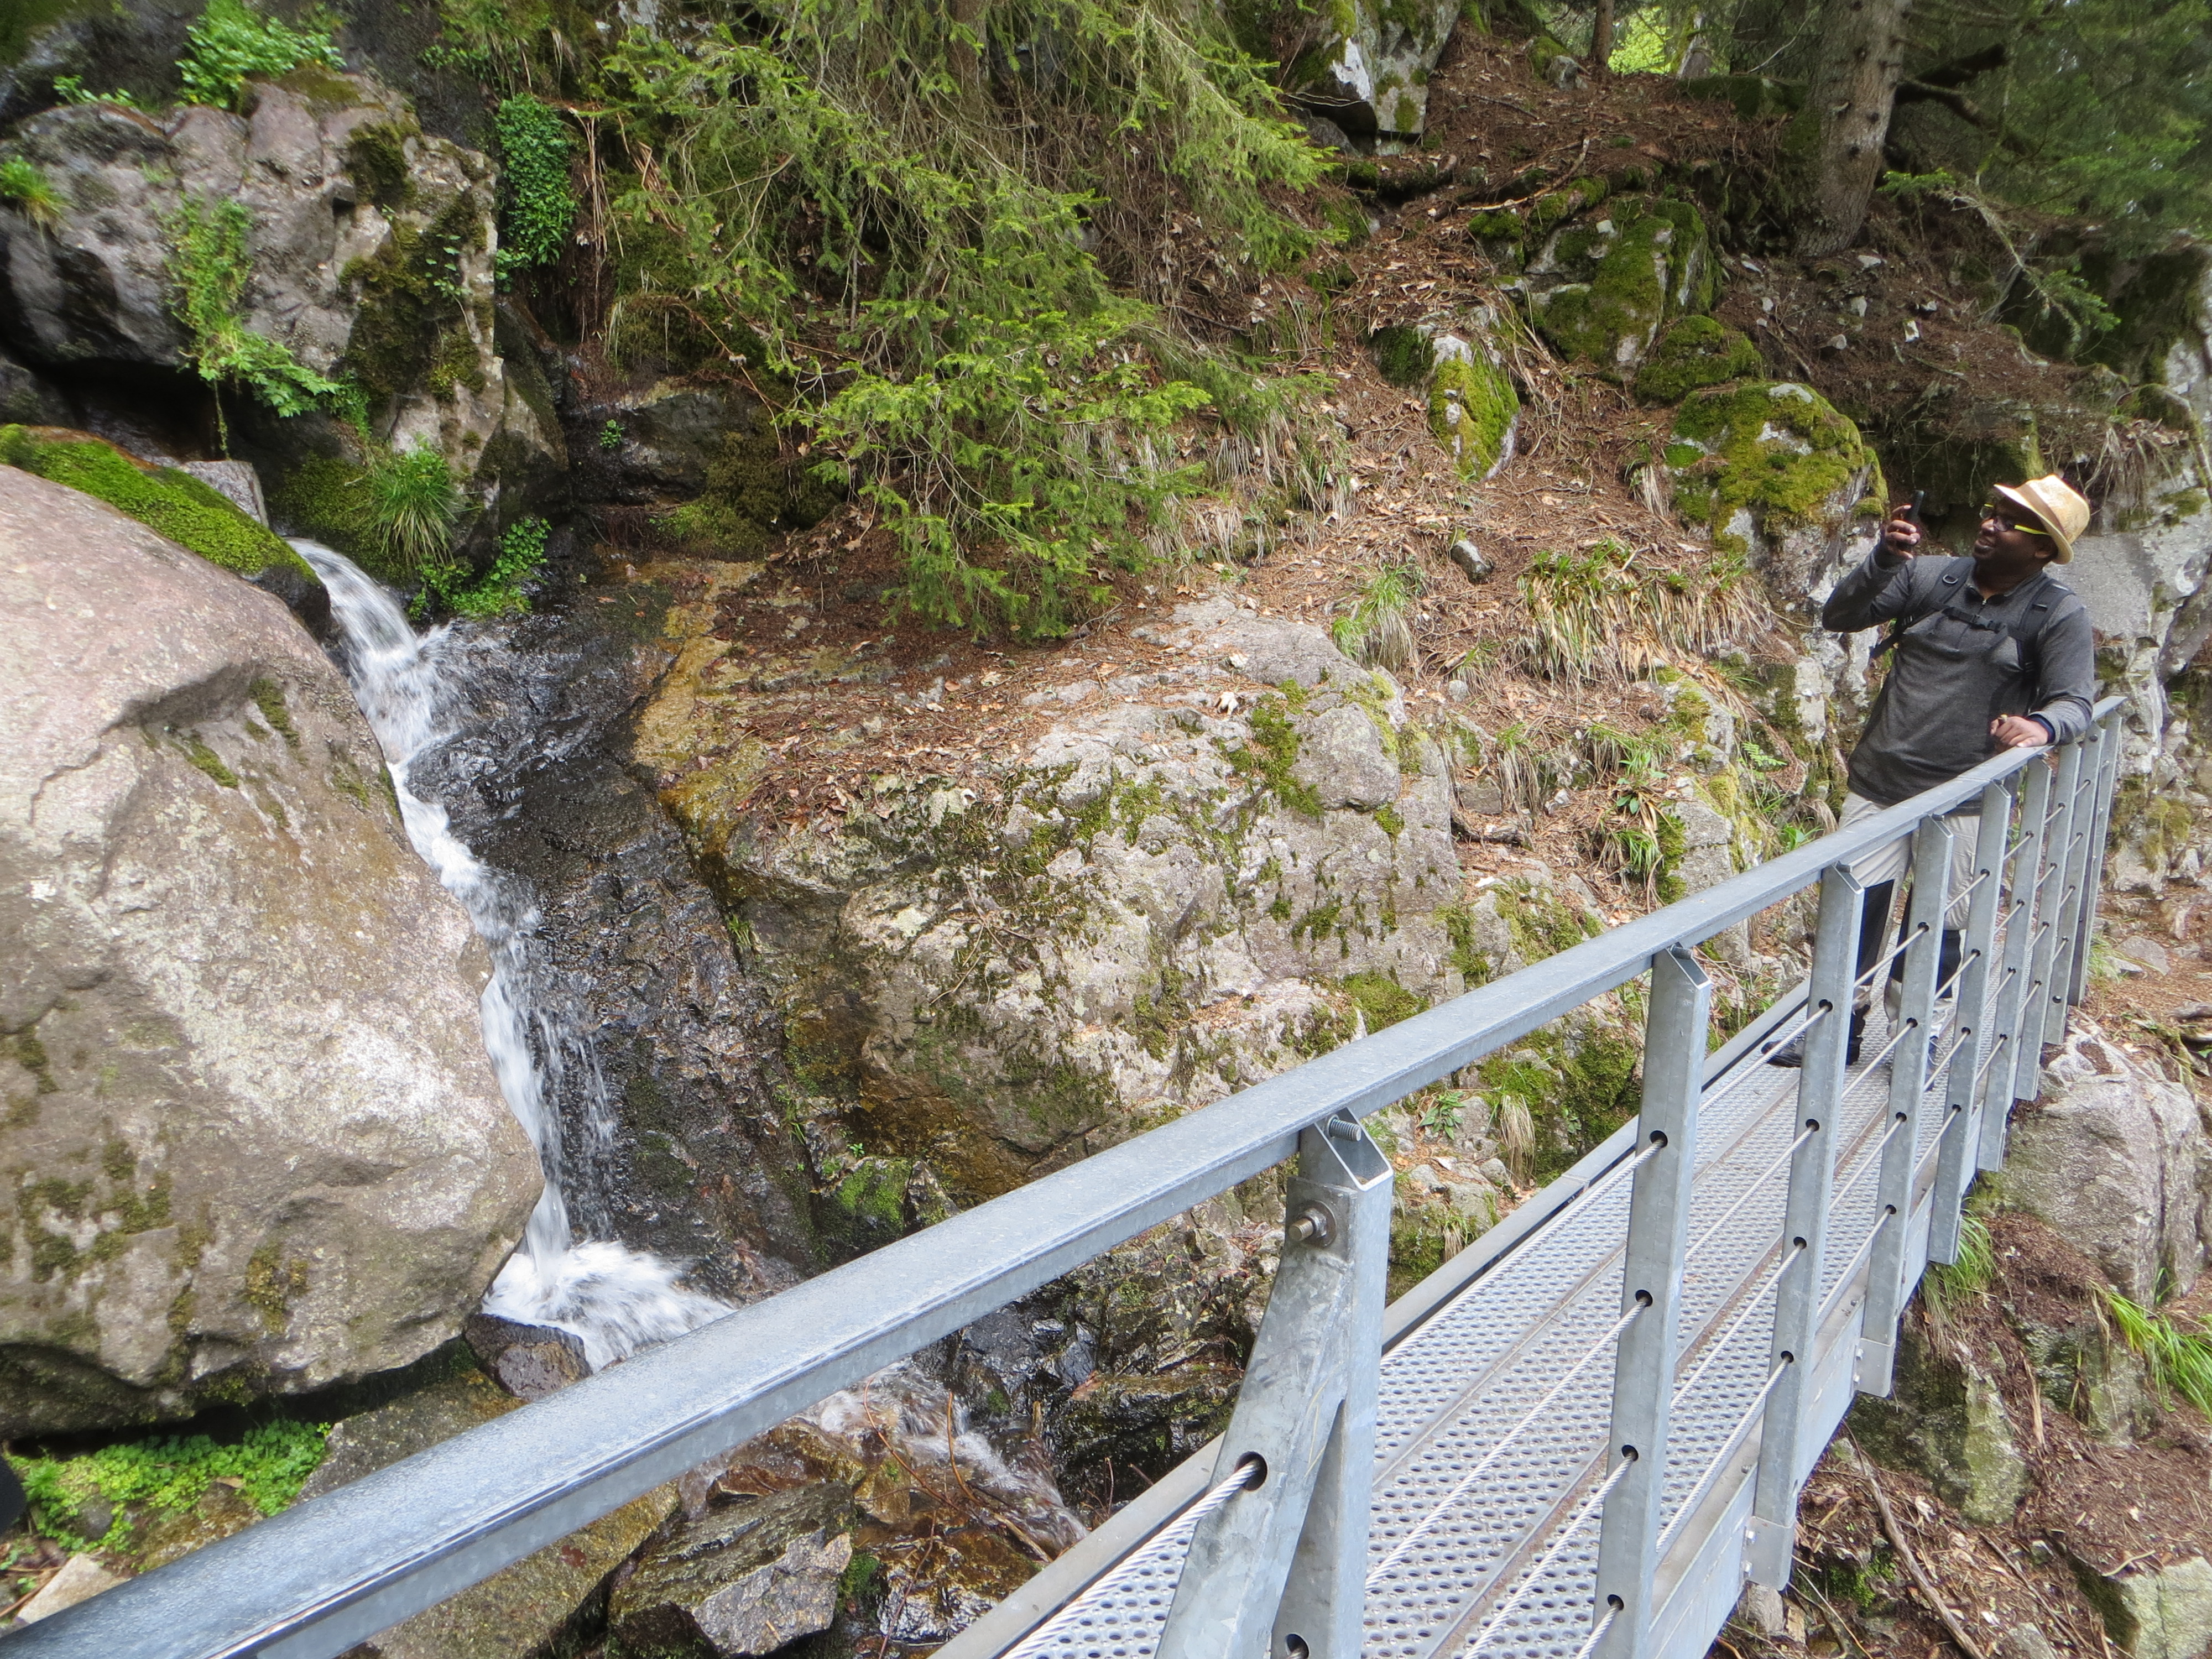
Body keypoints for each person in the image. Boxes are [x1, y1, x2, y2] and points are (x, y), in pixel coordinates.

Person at [1768, 475, 2096, 1066]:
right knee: (1853, 910)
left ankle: (1915, 1035)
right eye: (1991, 511)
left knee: (1940, 925)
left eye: (2009, 521)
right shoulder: (1931, 576)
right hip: (1880, 782)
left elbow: (2075, 700)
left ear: (2042, 548)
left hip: (1965, 798)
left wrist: (2042, 727)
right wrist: (1884, 561)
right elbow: (1842, 615)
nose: (1989, 523)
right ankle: (1836, 1030)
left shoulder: (2056, 613)